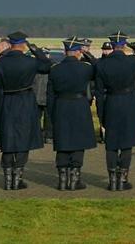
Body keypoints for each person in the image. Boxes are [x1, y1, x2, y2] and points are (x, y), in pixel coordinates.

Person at [91, 35, 135, 191]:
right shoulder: (132, 61)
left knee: (111, 144)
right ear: (124, 45)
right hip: (129, 103)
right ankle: (123, 180)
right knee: (127, 143)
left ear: (112, 45)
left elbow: (99, 93)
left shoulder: (101, 64)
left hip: (111, 103)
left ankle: (112, 181)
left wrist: (102, 116)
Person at [0, 32, 50, 190]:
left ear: (10, 44)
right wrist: (37, 51)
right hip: (25, 102)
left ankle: (8, 180)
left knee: (8, 140)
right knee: (24, 140)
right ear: (23, 44)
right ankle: (18, 179)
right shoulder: (30, 62)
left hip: (7, 101)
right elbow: (47, 66)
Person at [47, 39, 97, 190]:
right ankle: (75, 179)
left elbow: (50, 95)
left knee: (62, 141)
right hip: (79, 105)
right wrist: (88, 54)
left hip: (61, 106)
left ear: (64, 52)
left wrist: (52, 112)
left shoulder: (55, 69)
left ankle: (62, 180)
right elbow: (98, 68)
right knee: (78, 141)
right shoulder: (85, 68)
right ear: (78, 52)